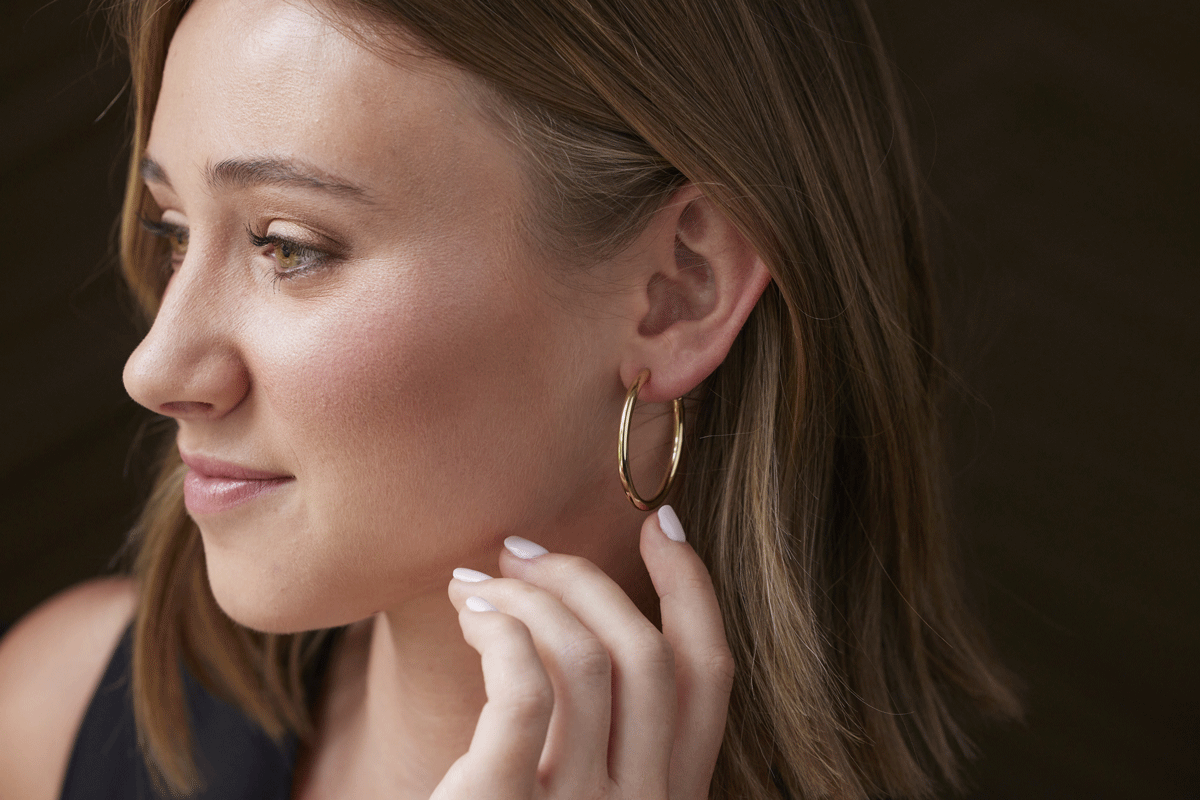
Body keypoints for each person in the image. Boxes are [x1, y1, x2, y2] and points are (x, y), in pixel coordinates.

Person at [0, 0, 1020, 797]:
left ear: (679, 289)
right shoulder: (54, 719)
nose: (157, 367)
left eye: (286, 246)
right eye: (175, 229)